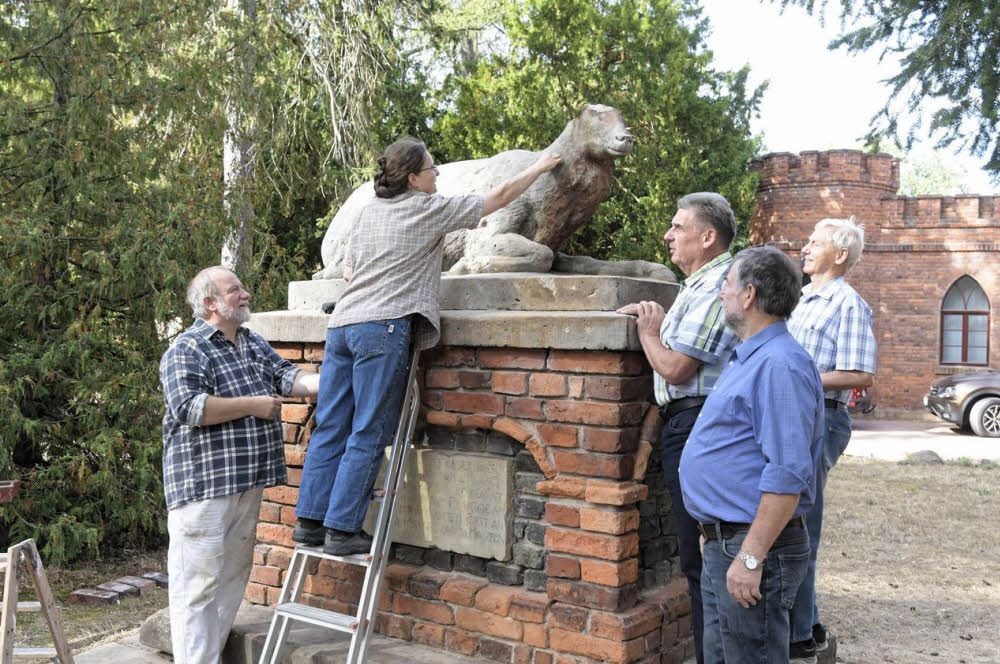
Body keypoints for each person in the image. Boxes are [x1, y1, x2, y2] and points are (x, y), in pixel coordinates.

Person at [294, 137, 561, 556]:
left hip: (342, 327)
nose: (438, 174)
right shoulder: (428, 209)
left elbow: (348, 270)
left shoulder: (367, 212)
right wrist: (539, 167)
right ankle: (342, 530)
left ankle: (309, 523)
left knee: (331, 425)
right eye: (432, 169)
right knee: (367, 430)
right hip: (381, 329)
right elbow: (499, 198)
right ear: (414, 179)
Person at [160, 266, 321, 663]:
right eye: (235, 290)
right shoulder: (187, 348)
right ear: (210, 303)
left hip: (247, 483)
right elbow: (189, 407)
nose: (245, 294)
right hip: (204, 490)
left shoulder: (249, 341)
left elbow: (289, 378)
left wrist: (345, 373)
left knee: (231, 581)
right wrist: (252, 405)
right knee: (196, 589)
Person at [680, 246, 824, 664]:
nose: (721, 294)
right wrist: (713, 526)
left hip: (753, 547)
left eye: (726, 285)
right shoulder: (752, 356)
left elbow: (787, 473)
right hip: (725, 540)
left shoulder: (779, 365)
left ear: (748, 295)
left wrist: (750, 555)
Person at [616, 192, 739, 663]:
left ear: (707, 237)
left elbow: (677, 369)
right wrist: (657, 320)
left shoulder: (715, 288)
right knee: (697, 554)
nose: (668, 234)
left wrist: (650, 334)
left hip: (699, 423)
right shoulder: (697, 285)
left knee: (704, 555)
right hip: (689, 423)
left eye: (678, 226)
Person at [788, 218, 877, 663]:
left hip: (822, 416)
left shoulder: (847, 303)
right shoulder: (802, 299)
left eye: (814, 243)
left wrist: (799, 377)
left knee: (800, 521)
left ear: (839, 255)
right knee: (785, 518)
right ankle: (806, 622)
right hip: (793, 415)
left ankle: (802, 635)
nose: (804, 248)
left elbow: (861, 373)